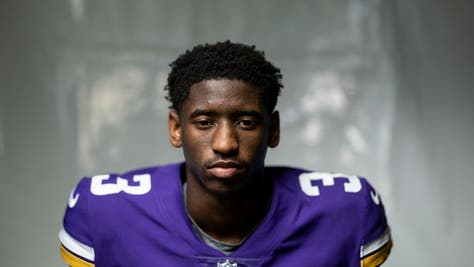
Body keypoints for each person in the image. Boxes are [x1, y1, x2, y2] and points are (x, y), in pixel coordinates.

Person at [59, 41, 392, 267]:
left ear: (273, 129)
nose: (225, 143)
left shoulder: (348, 209)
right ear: (176, 129)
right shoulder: (104, 209)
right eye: (204, 122)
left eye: (246, 122)